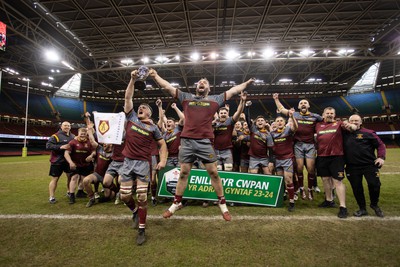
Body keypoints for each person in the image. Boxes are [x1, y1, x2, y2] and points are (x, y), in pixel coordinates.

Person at [150, 68, 255, 221]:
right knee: (184, 173)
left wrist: (247, 83)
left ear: (208, 89)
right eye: (200, 82)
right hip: (186, 141)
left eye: (205, 83)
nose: (202, 83)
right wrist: (155, 76)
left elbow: (233, 90)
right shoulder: (186, 97)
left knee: (214, 173)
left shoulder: (215, 99)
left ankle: (222, 204)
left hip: (205, 142)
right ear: (196, 87)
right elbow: (168, 87)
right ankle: (176, 203)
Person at [118, 70, 167, 245]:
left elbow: (162, 145)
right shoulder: (131, 118)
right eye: (141, 107)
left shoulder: (153, 128)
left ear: (150, 114)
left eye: (145, 108)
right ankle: (134, 212)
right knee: (124, 196)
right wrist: (132, 79)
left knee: (141, 196)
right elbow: (128, 98)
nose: (141, 108)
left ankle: (141, 228)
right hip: (127, 162)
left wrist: (162, 160)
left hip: (143, 164)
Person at [273, 93, 323, 200]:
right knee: (299, 168)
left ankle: (309, 189)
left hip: (310, 145)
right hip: (298, 145)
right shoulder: (294, 114)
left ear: (308, 106)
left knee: (310, 168)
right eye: (301, 103)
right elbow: (281, 109)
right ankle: (301, 188)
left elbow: (325, 122)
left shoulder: (315, 116)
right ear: (299, 107)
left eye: (305, 103)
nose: (303, 104)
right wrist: (276, 99)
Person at [315, 107, 355, 218]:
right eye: (327, 113)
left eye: (331, 113)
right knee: (325, 179)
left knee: (337, 181)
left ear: (335, 114)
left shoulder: (339, 124)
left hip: (336, 157)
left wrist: (352, 126)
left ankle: (343, 207)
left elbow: (351, 128)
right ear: (323, 115)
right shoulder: (318, 125)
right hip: (322, 156)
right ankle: (329, 200)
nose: (329, 115)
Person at [343, 114, 386, 217]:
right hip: (352, 166)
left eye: (356, 121)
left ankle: (374, 205)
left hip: (369, 165)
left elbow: (381, 145)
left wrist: (381, 157)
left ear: (361, 122)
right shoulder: (344, 133)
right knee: (357, 188)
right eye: (352, 120)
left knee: (375, 185)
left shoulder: (369, 133)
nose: (354, 122)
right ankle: (362, 208)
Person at [270, 109, 298, 211]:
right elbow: (270, 148)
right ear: (275, 124)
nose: (279, 122)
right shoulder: (272, 134)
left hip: (287, 159)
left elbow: (295, 127)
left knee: (288, 179)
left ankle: (291, 202)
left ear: (284, 123)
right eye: (277, 121)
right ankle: (282, 197)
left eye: (281, 120)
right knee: (281, 180)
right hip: (277, 160)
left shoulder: (288, 130)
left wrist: (292, 117)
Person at [82, 122, 113, 208]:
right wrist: (89, 130)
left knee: (108, 196)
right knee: (85, 181)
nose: (104, 144)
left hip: (107, 177)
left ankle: (114, 192)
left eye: (106, 143)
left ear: (111, 144)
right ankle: (91, 198)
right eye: (104, 143)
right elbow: (92, 140)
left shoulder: (114, 154)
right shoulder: (100, 149)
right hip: (97, 174)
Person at [64, 127, 96, 204]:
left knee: (83, 179)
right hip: (75, 164)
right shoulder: (72, 142)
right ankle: (72, 195)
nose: (83, 135)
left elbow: (94, 151)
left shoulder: (89, 142)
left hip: (86, 164)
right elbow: (66, 153)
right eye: (81, 134)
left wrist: (91, 156)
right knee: (74, 178)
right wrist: (70, 162)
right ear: (78, 133)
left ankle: (80, 192)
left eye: (84, 134)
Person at [46, 121, 75, 204]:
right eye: (65, 125)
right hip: (57, 161)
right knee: (55, 179)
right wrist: (60, 147)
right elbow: (48, 146)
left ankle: (69, 192)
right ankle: (51, 197)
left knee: (70, 177)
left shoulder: (73, 136)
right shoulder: (55, 136)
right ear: (61, 127)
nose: (67, 127)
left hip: (68, 161)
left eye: (68, 125)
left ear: (70, 127)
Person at [244, 102, 275, 175]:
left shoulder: (268, 135)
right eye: (258, 121)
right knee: (253, 176)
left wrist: (271, 161)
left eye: (262, 120)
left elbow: (271, 149)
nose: (260, 122)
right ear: (256, 123)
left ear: (265, 123)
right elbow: (247, 118)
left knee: (268, 175)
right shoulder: (253, 130)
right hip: (253, 158)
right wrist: (247, 107)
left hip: (264, 158)